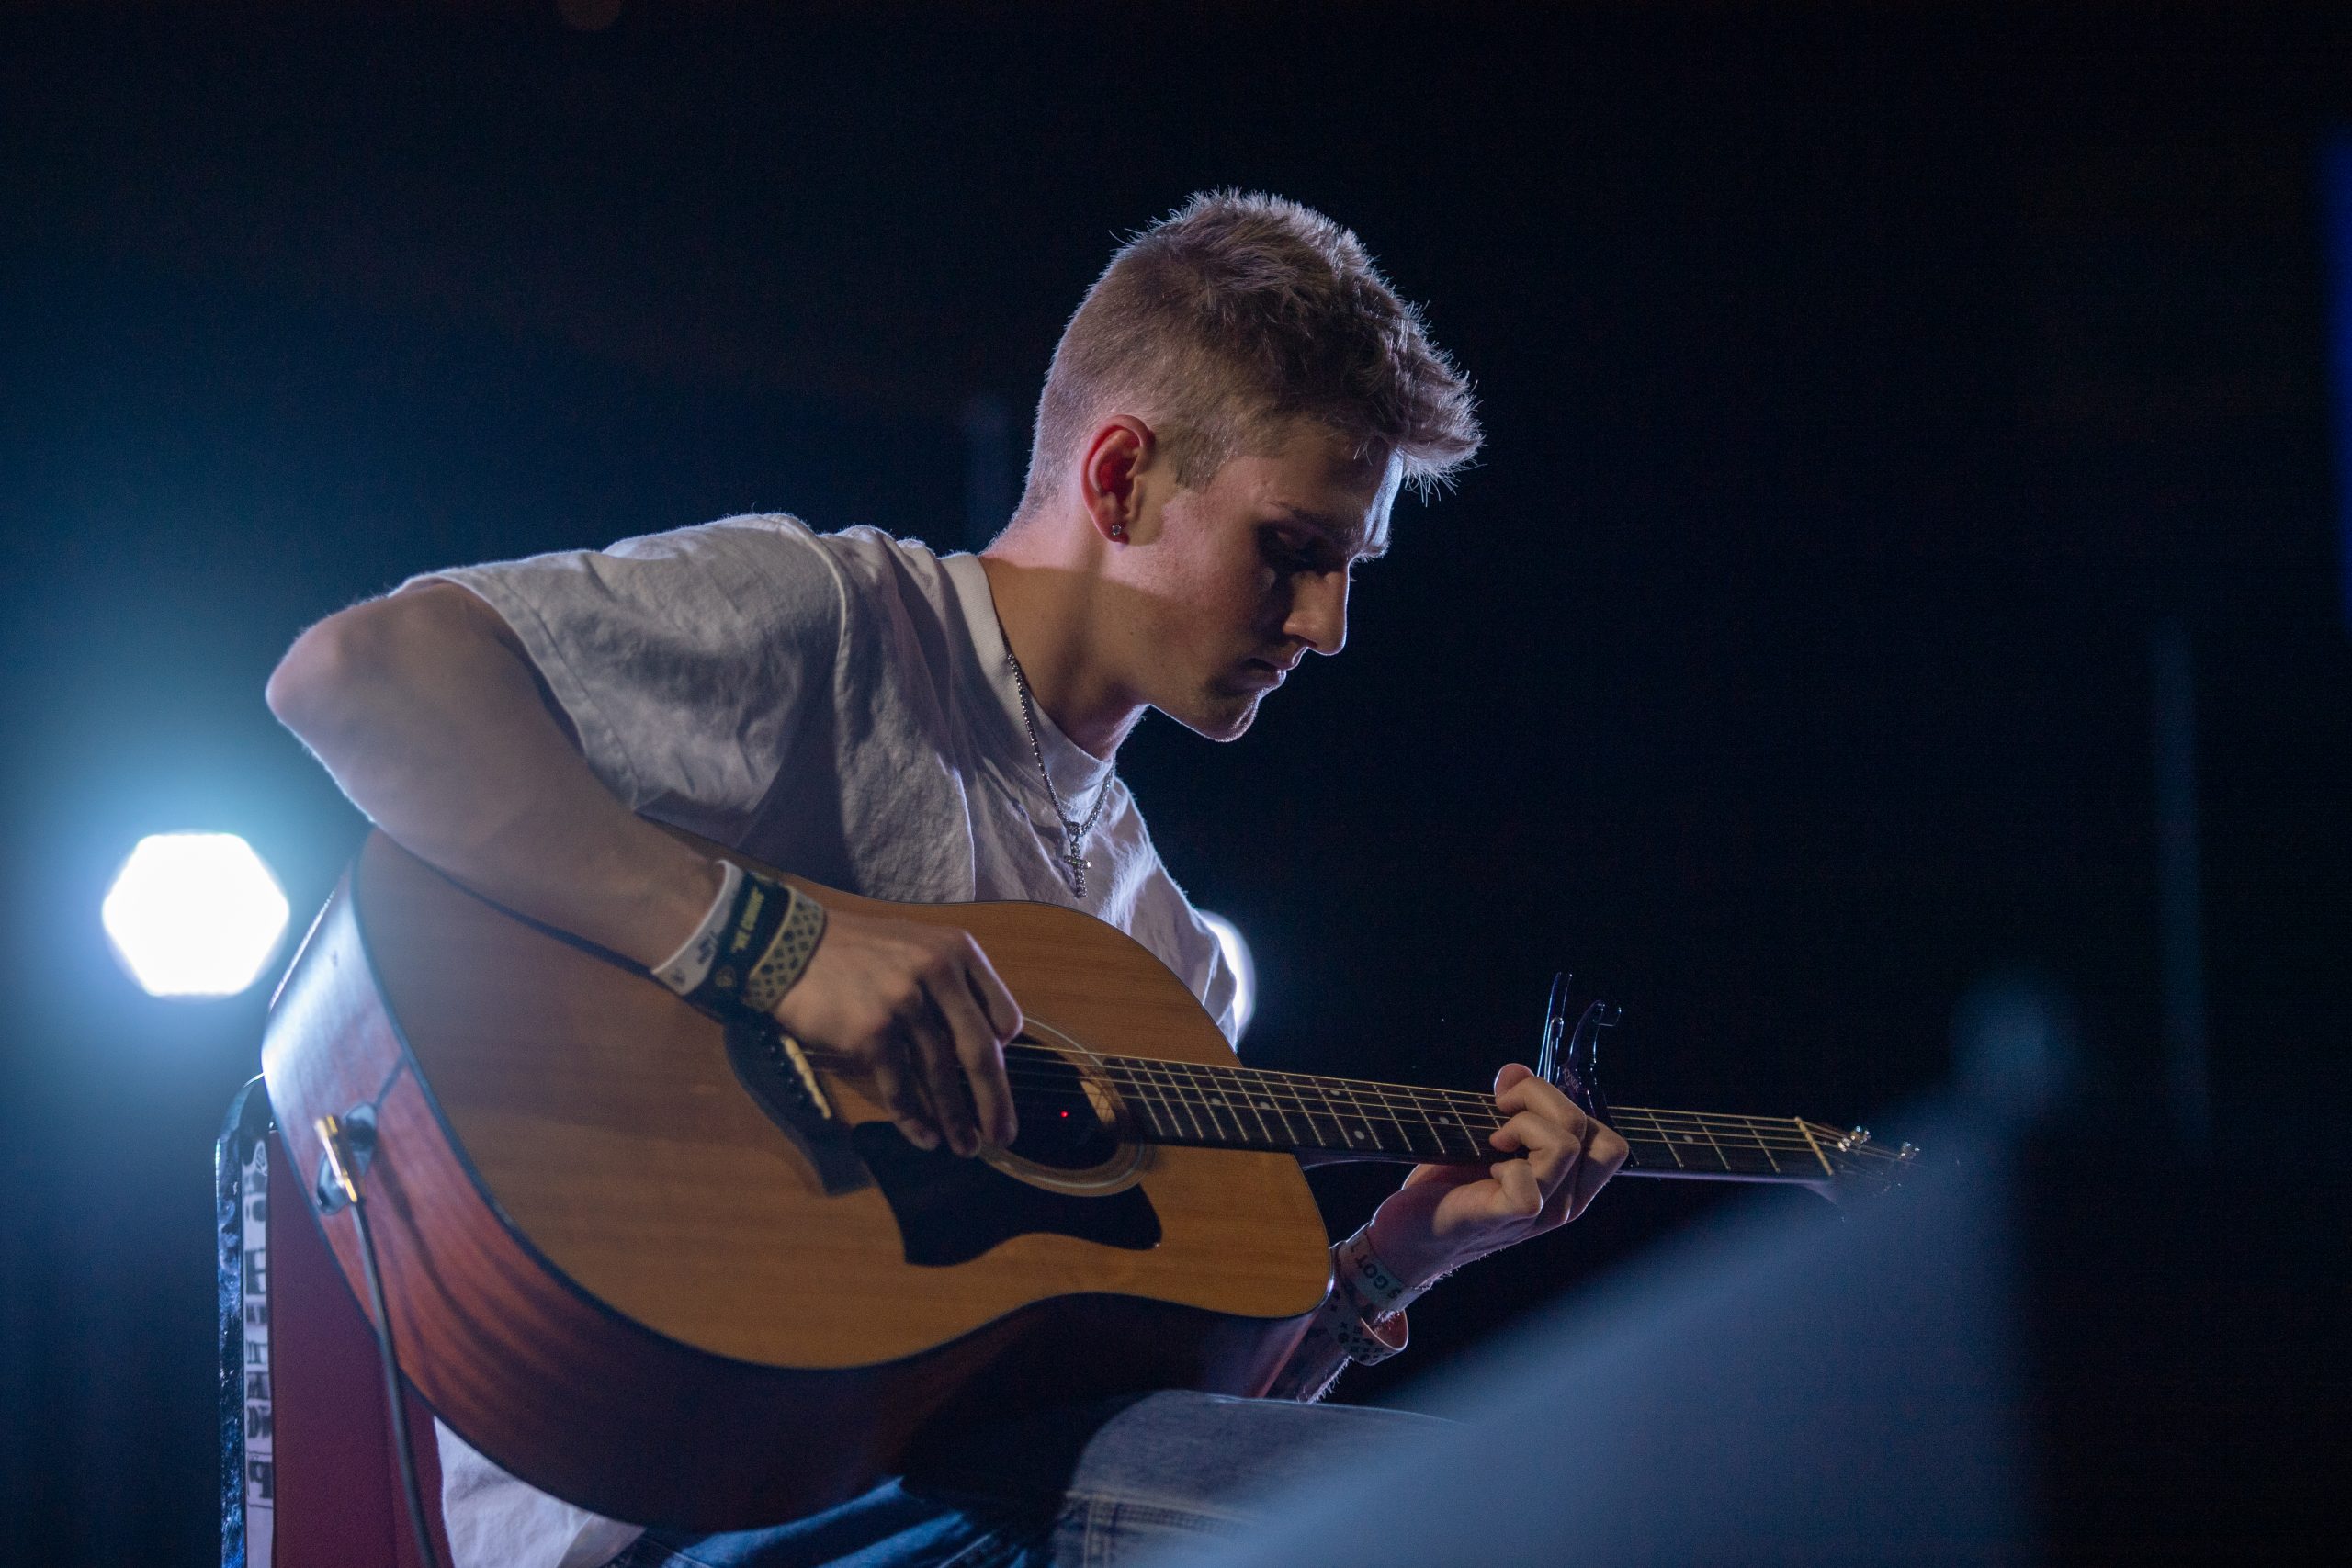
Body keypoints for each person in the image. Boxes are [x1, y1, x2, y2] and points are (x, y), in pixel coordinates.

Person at [266, 190, 1629, 1568]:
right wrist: (777, 950)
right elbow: (356, 679)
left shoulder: (1169, 951)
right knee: (1509, 1507)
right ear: (1119, 479)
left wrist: (1395, 1258)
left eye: (1351, 568)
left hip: (970, 1508)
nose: (1328, 626)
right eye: (1293, 549)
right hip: (689, 1502)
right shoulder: (838, 628)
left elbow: (1179, 1448)